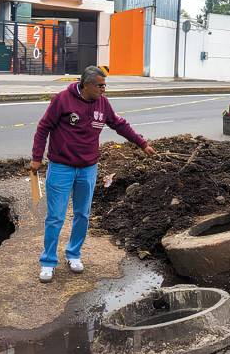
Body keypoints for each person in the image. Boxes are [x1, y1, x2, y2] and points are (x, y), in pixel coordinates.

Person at [31, 66, 156, 283]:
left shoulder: (103, 103)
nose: (103, 89)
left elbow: (119, 124)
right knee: (56, 216)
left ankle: (73, 254)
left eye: (105, 85)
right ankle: (48, 261)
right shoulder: (62, 100)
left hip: (88, 169)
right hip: (61, 167)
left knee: (82, 214)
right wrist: (36, 157)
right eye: (100, 85)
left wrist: (142, 143)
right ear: (86, 84)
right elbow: (43, 128)